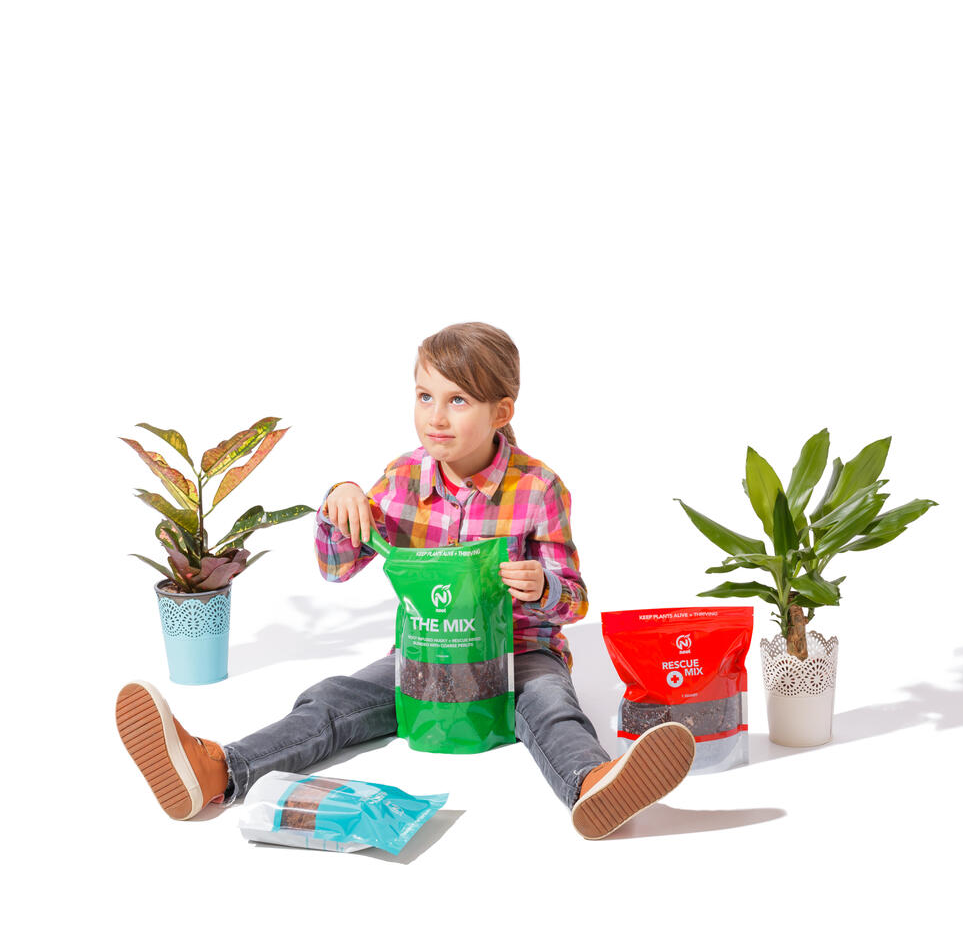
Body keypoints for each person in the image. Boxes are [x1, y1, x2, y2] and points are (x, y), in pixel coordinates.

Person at [116, 322, 694, 839]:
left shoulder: (538, 487)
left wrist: (544, 586)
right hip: (424, 652)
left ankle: (593, 783)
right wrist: (339, 502)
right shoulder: (401, 477)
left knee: (550, 703)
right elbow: (338, 569)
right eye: (424, 397)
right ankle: (216, 767)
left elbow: (576, 598)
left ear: (502, 410)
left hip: (519, 651)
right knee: (333, 701)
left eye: (458, 400)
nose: (435, 417)